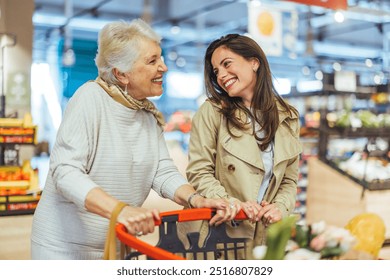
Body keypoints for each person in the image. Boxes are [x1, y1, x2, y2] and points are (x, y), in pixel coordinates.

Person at [31, 19, 228, 260]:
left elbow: (162, 171)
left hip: (116, 241)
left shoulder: (146, 114)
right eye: (152, 60)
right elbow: (66, 171)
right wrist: (120, 210)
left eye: (161, 58)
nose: (163, 67)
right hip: (64, 248)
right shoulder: (90, 98)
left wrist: (195, 198)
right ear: (121, 74)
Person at [185, 34, 302, 259]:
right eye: (216, 71)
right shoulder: (212, 112)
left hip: (265, 234)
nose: (221, 76)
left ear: (254, 62)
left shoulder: (288, 117)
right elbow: (199, 172)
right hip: (221, 232)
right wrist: (231, 203)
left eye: (227, 64)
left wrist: (280, 207)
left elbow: (289, 179)